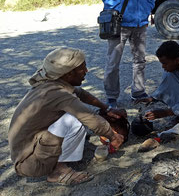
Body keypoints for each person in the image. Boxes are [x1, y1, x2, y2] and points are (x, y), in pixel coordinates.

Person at [8, 47, 125, 185]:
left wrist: (107, 108)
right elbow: (90, 117)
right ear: (69, 74)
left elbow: (80, 93)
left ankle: (58, 158)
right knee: (74, 119)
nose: (86, 71)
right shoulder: (57, 93)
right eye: (83, 68)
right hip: (29, 162)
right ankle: (57, 171)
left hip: (28, 151)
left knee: (74, 116)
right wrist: (113, 136)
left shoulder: (53, 81)